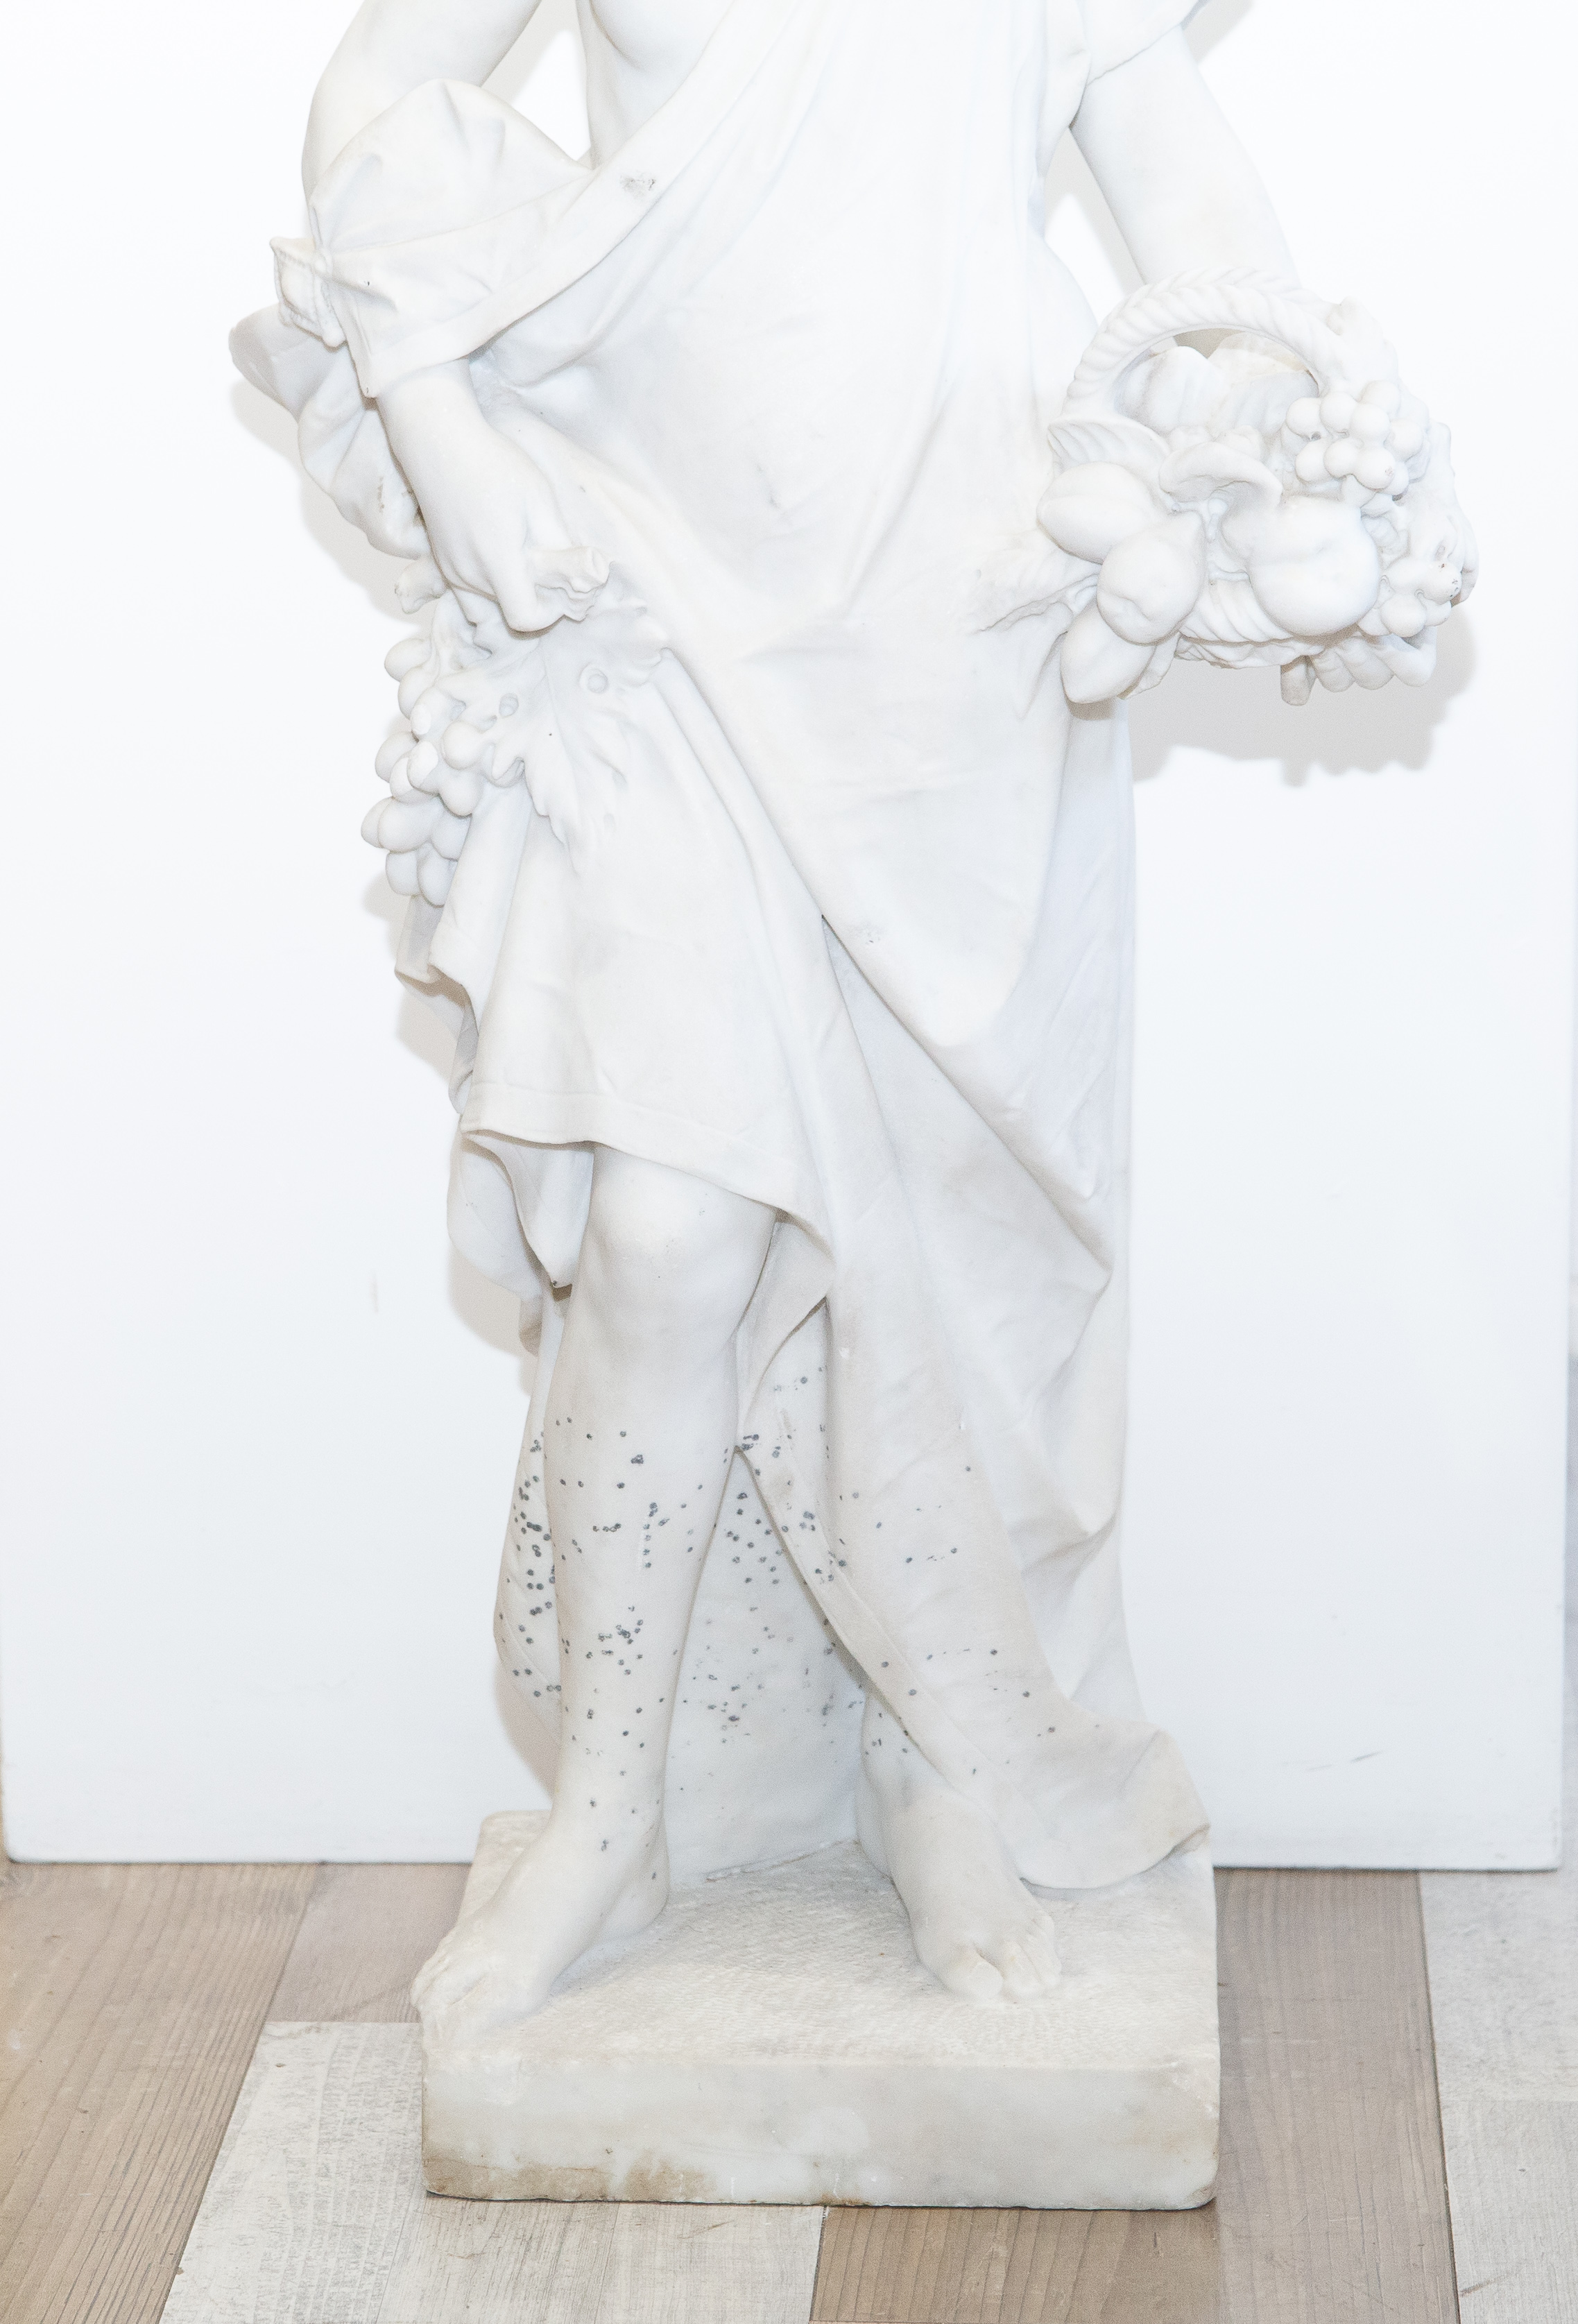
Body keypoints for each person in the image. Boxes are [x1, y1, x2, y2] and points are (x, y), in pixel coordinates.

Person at [271, 0, 1297, 2037]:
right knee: (665, 1236)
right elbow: (379, 88)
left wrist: (1235, 464)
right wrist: (442, 419)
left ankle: (940, 1772)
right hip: (644, 595)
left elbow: (1209, 245)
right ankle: (611, 1811)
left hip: (957, 648)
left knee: (948, 1267)